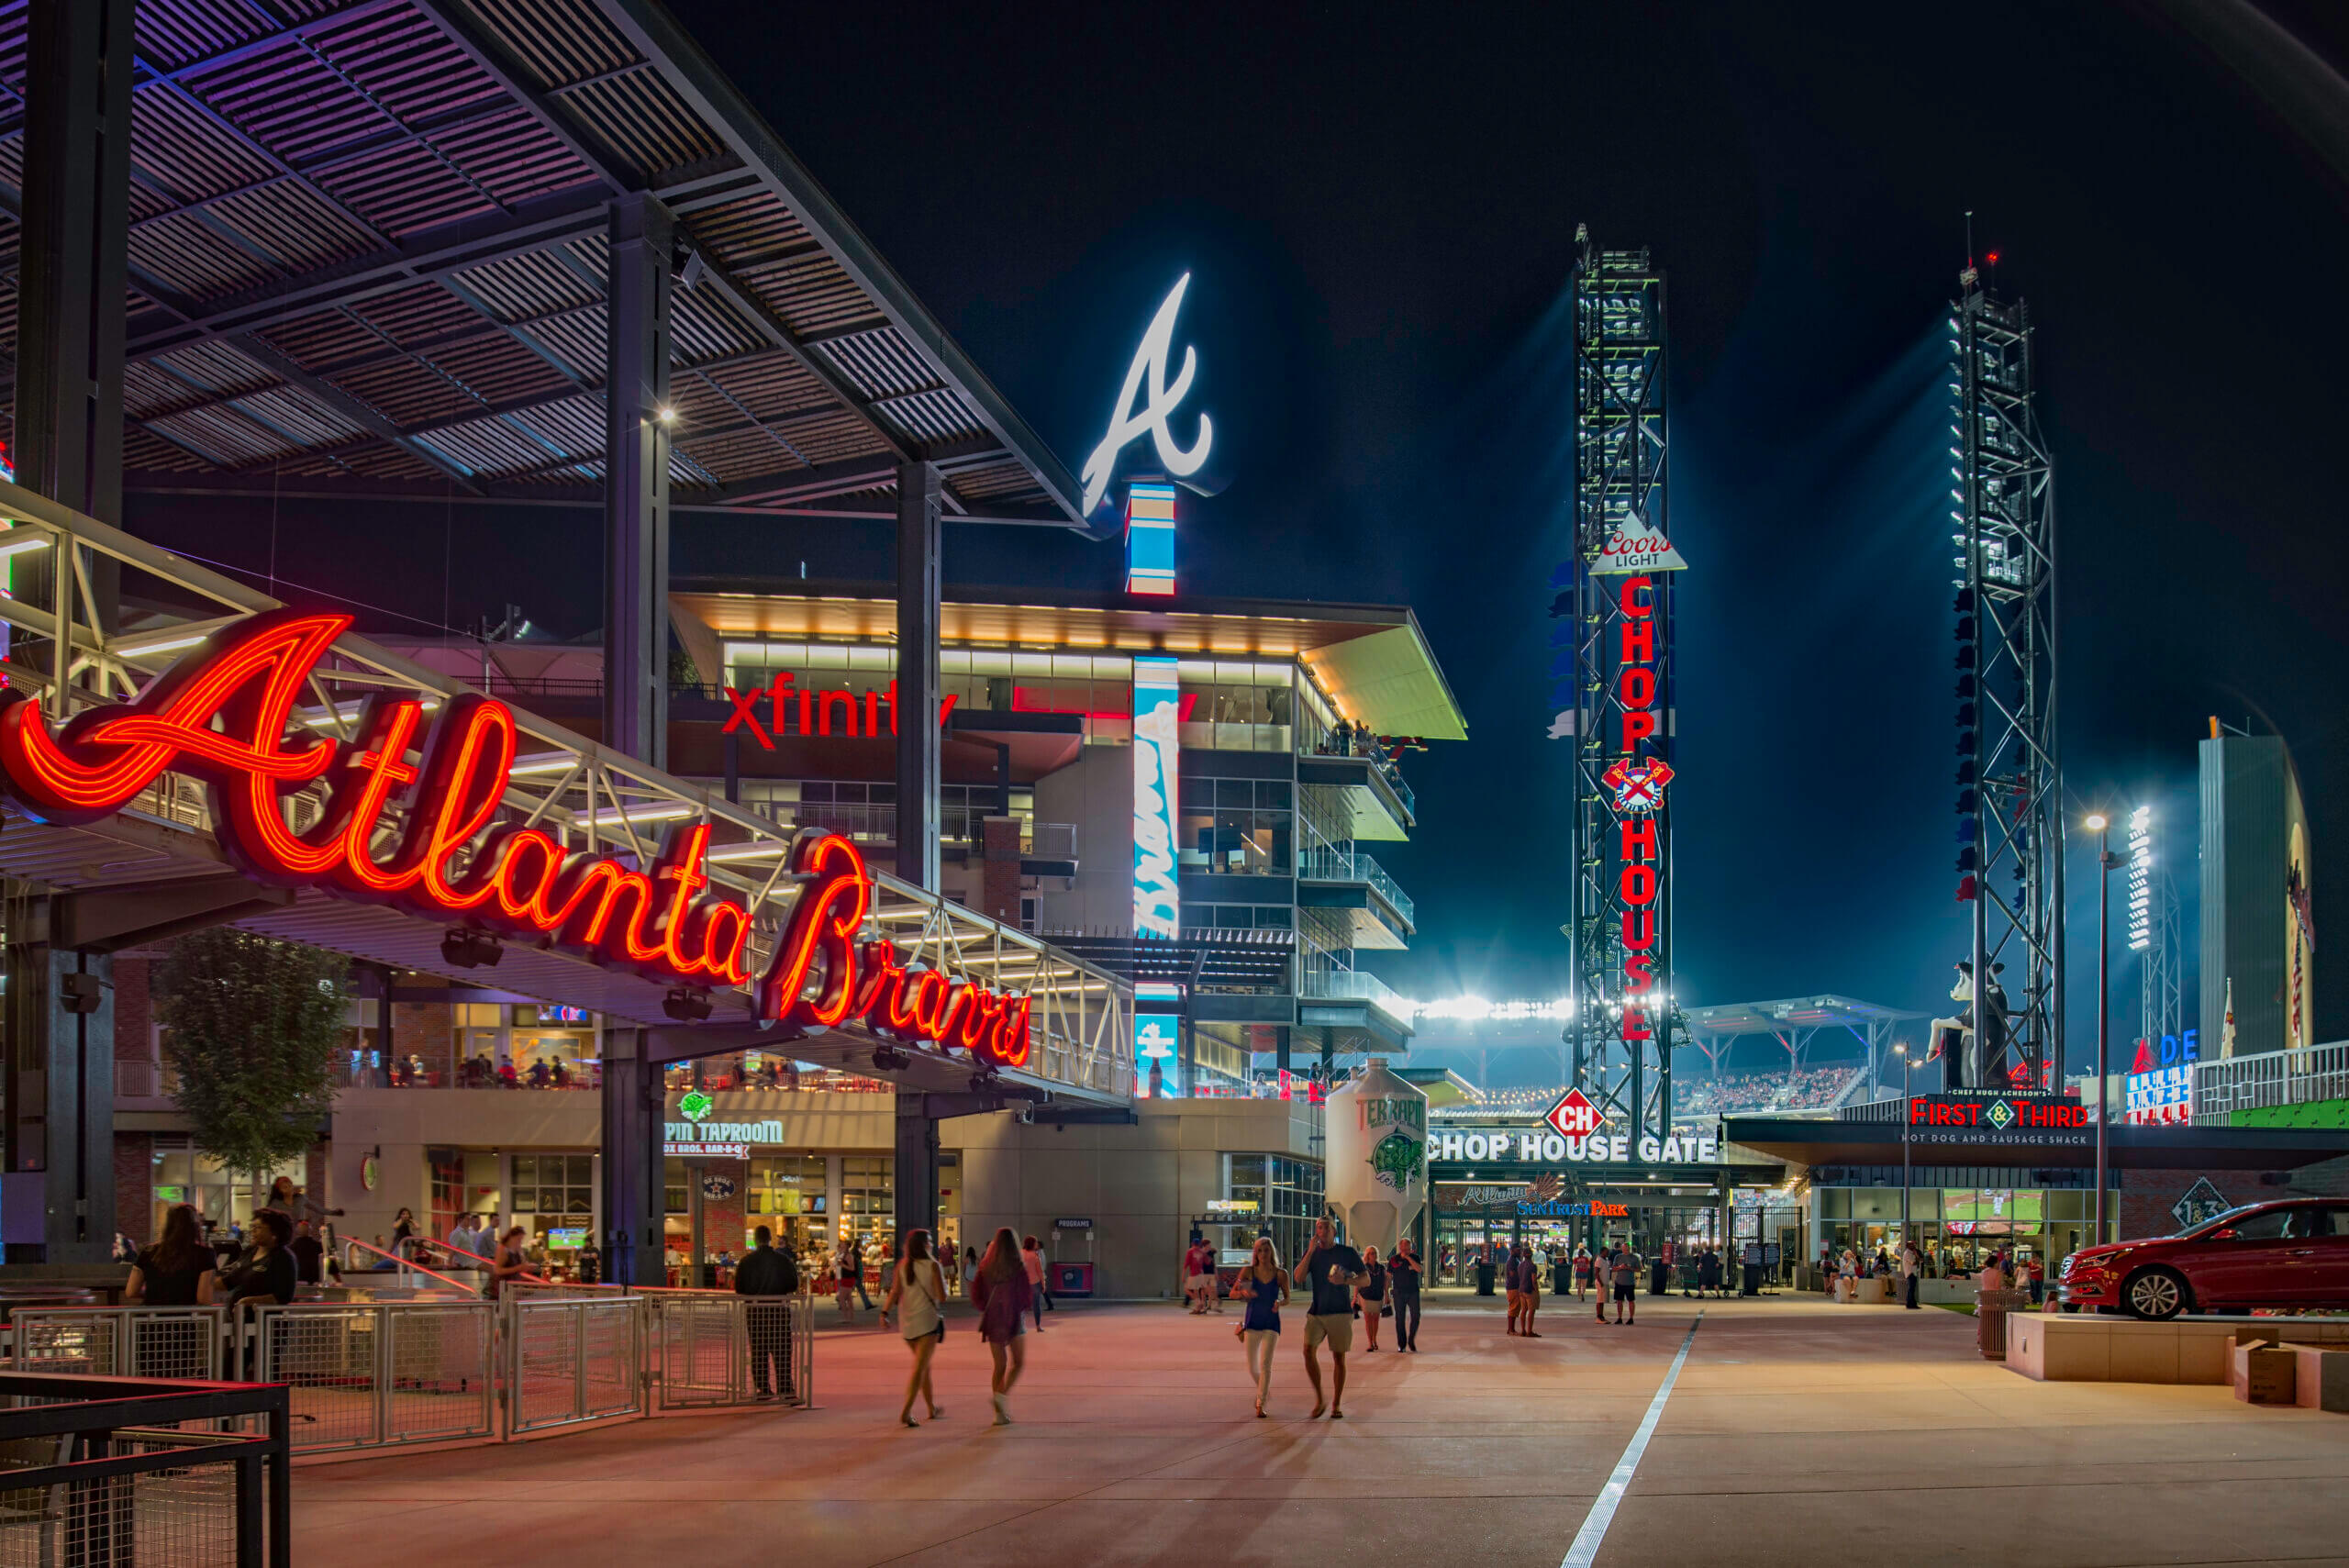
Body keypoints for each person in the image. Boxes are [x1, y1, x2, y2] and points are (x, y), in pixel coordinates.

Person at [1292, 1216, 1367, 1419]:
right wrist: (1309, 1251)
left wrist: (1346, 1279)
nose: (1322, 1230)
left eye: (1326, 1227)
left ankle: (1336, 1403)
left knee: (1338, 1357)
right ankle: (1320, 1399)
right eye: (1318, 1227)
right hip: (1317, 1311)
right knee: (1308, 1351)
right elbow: (1298, 1277)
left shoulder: (1347, 1253)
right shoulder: (1313, 1254)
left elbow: (1366, 1279)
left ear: (1334, 1231)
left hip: (1340, 1312)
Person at [882, 1228, 947, 1426]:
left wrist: (884, 1313)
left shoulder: (903, 1265)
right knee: (919, 1368)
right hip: (927, 1322)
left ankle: (931, 1408)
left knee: (924, 1366)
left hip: (908, 1323)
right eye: (929, 1241)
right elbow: (941, 1296)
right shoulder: (933, 1265)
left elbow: (894, 1293)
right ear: (923, 1244)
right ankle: (906, 1411)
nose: (932, 1244)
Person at [969, 1228, 1033, 1425]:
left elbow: (977, 1296)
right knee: (1019, 1362)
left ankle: (999, 1414)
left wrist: (987, 1308)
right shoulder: (1017, 1268)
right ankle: (1001, 1397)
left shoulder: (985, 1268)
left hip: (993, 1319)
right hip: (1013, 1318)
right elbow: (1026, 1297)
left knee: (999, 1365)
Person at [736, 1224, 801, 1403]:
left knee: (759, 1351)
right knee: (781, 1350)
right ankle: (786, 1388)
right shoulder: (782, 1260)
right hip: (778, 1310)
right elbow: (793, 1284)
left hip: (755, 1312)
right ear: (770, 1238)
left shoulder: (746, 1262)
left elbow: (739, 1287)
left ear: (756, 1240)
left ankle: (763, 1388)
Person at [1231, 1237, 1287, 1416]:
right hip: (1252, 1321)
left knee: (1266, 1364)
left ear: (1272, 1252)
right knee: (1252, 1367)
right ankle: (1263, 1389)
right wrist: (1243, 1292)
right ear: (1255, 1253)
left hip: (1271, 1322)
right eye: (1260, 1250)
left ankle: (1260, 1403)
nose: (1263, 1254)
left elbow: (1288, 1298)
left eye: (1266, 1250)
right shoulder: (1248, 1271)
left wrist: (1280, 1302)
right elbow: (1232, 1293)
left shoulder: (1280, 1274)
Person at [127, 1205, 217, 1307]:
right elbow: (204, 1299)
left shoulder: (148, 1252)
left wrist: (154, 1294)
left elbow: (131, 1292)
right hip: (183, 1319)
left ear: (167, 1225)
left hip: (150, 1318)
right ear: (195, 1226)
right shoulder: (205, 1254)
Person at [1387, 1238, 1423, 1352]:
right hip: (1399, 1293)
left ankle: (1411, 1339)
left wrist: (1408, 1257)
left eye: (1407, 1248)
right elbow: (1388, 1276)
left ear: (1410, 1248)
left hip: (1413, 1292)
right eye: (1403, 1248)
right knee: (1400, 1319)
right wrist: (1386, 1292)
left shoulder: (1415, 1257)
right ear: (1400, 1247)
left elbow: (1418, 1269)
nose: (1405, 1250)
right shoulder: (1393, 1260)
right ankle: (1401, 1344)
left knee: (1416, 1316)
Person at [1355, 1244, 1386, 1351]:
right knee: (1368, 1319)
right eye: (1371, 1253)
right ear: (1367, 1255)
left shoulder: (1382, 1268)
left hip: (1378, 1295)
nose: (1373, 1255)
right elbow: (1358, 1283)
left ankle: (1374, 1339)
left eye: (1374, 1253)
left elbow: (1386, 1283)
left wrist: (1387, 1295)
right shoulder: (1363, 1268)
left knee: (1376, 1319)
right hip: (1365, 1295)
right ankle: (1370, 1343)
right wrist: (1355, 1297)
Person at [486, 1226, 530, 1299]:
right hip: (501, 1289)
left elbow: (522, 1263)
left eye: (521, 1240)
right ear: (511, 1237)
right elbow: (498, 1270)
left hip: (512, 1287)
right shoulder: (503, 1249)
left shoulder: (516, 1249)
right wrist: (517, 1268)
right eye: (518, 1239)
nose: (520, 1242)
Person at [1019, 1235, 1050, 1329]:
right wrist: (1043, 1284)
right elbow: (1040, 1272)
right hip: (1035, 1283)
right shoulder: (1035, 1256)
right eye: (1035, 1242)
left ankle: (1020, 1326)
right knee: (1036, 1305)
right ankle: (1038, 1326)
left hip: (1023, 1283)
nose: (1037, 1244)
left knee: (1021, 1305)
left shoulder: (1020, 1253)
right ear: (1032, 1243)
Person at [1184, 1234, 1218, 1314]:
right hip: (1202, 1274)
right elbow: (1208, 1261)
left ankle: (1200, 1304)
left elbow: (1186, 1264)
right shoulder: (1201, 1252)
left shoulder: (1191, 1251)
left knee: (1189, 1290)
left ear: (1192, 1244)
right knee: (1201, 1291)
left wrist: (1183, 1275)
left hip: (1195, 1274)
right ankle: (1201, 1306)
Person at [834, 1234, 863, 1324]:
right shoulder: (845, 1255)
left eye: (842, 1245)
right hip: (846, 1278)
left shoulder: (848, 1256)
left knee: (842, 1298)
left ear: (846, 1246)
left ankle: (846, 1317)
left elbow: (852, 1268)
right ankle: (850, 1317)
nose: (840, 1246)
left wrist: (842, 1265)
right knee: (849, 1298)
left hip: (848, 1278)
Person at [1610, 1244, 1639, 1325]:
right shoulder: (1618, 1257)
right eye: (1624, 1249)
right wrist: (1620, 1267)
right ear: (1621, 1249)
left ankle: (1631, 1318)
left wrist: (1629, 1268)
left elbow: (1639, 1269)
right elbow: (1613, 1268)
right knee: (1619, 1301)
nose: (1625, 1250)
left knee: (1631, 1300)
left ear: (1629, 1249)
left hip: (1630, 1283)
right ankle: (1619, 1318)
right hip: (1619, 1282)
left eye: (1627, 1249)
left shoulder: (1634, 1258)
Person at [290, 1220, 325, 1285]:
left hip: (296, 1282)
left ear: (297, 1231)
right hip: (314, 1282)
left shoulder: (291, 1248)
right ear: (310, 1230)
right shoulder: (318, 1246)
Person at [1518, 1245, 1541, 1339]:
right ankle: (1529, 1331)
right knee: (1531, 1310)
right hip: (1529, 1290)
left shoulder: (1520, 1265)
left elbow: (1522, 1277)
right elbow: (1533, 1280)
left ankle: (1523, 1330)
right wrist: (1536, 1289)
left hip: (1521, 1290)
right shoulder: (1532, 1266)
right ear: (1531, 1255)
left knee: (1523, 1310)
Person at [1900, 1240, 1923, 1309]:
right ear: (1908, 1246)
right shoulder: (1907, 1253)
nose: (1914, 1246)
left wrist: (1917, 1256)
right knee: (1911, 1289)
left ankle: (1910, 1303)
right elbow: (1914, 1263)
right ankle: (1911, 1304)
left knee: (1911, 1289)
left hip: (1913, 1272)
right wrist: (1917, 1256)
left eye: (1914, 1244)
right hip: (1910, 1273)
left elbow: (1921, 1260)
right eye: (1912, 1244)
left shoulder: (1912, 1252)